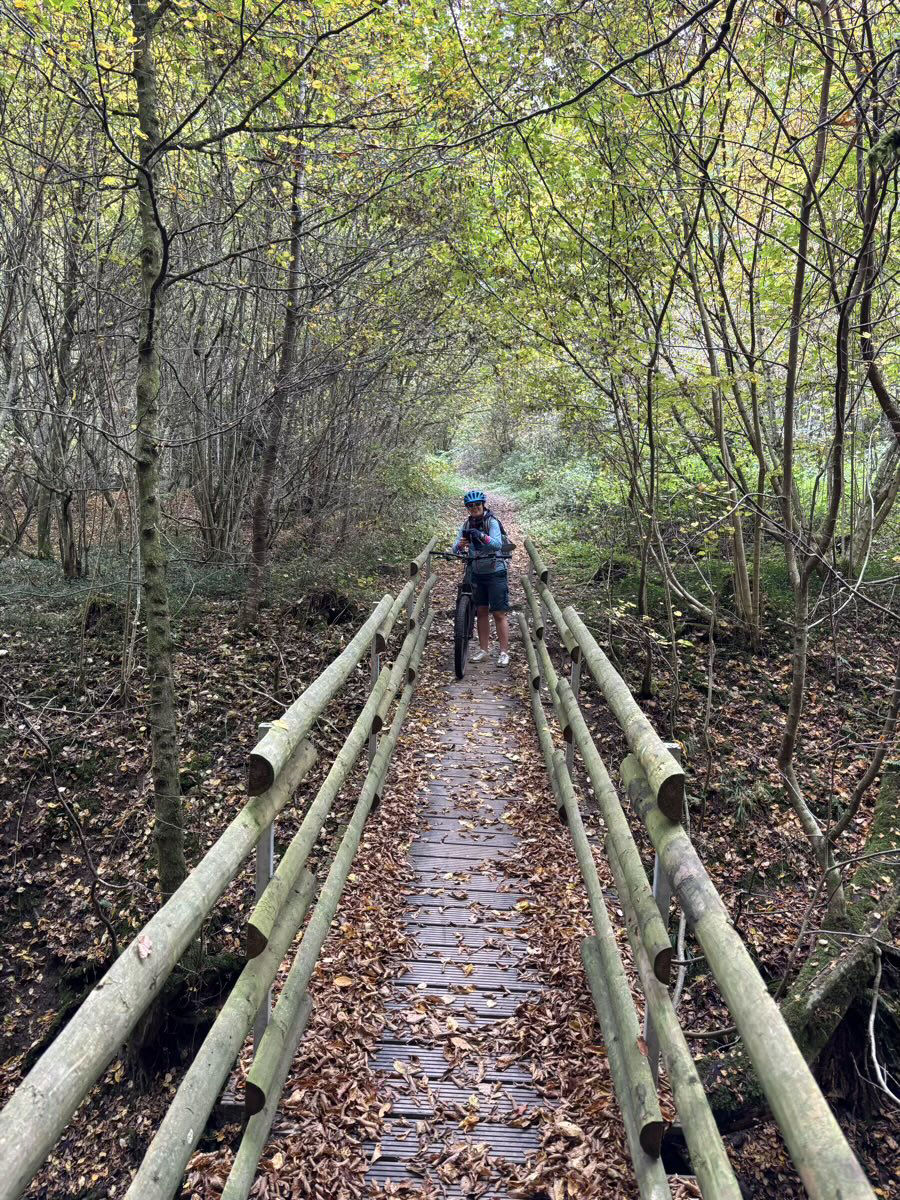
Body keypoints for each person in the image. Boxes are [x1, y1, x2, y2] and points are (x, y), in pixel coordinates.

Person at [454, 489, 510, 667]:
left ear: (483, 505)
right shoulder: (466, 524)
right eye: (470, 506)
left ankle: (503, 652)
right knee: (482, 612)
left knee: (499, 613)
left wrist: (481, 536)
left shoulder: (491, 521)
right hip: (476, 572)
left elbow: (496, 544)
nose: (474, 508)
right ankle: (484, 650)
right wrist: (459, 545)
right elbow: (455, 549)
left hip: (495, 571)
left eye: (477, 505)